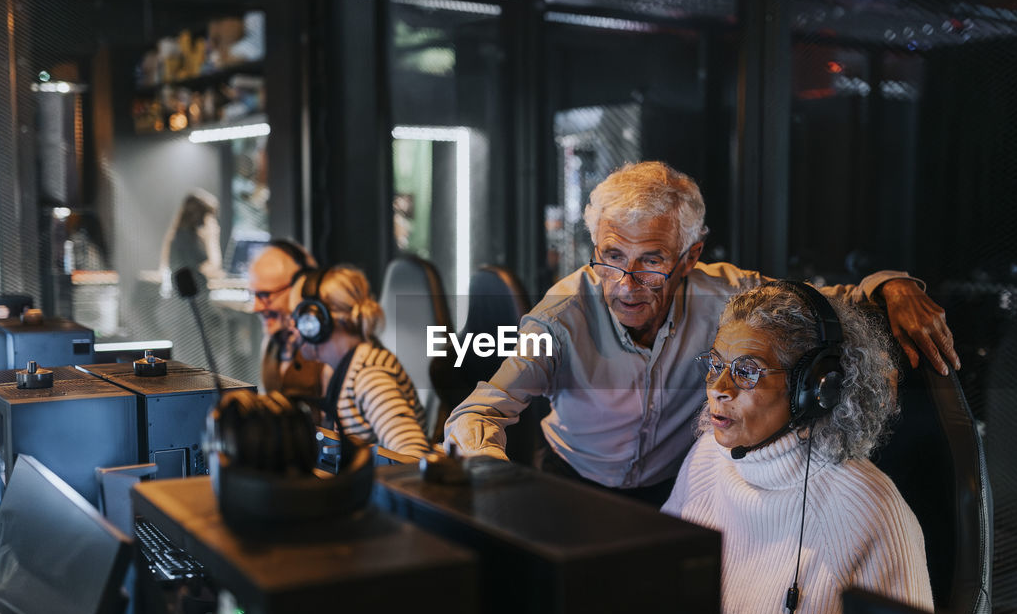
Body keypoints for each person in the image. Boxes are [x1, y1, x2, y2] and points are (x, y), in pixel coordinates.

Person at [443, 160, 959, 505]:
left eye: (651, 261)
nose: (625, 285)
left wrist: (892, 285)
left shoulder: (729, 295)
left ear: (690, 256)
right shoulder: (558, 316)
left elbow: (832, 299)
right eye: (612, 257)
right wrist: (494, 474)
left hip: (682, 488)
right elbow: (478, 410)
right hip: (574, 484)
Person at [662, 281, 932, 614]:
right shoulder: (709, 456)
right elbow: (653, 578)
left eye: (746, 371)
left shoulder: (871, 507)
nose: (719, 389)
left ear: (814, 388)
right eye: (715, 365)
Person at [288, 264, 430, 458]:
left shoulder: (370, 377)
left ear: (318, 321)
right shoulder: (341, 369)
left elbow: (412, 457)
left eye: (298, 318)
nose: (292, 328)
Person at [247, 239, 326, 407]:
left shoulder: (328, 351)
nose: (256, 307)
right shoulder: (271, 343)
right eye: (253, 295)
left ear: (302, 287)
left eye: (265, 295)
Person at [159, 188, 223, 291]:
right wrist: (212, 238)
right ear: (201, 218)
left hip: (187, 300)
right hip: (194, 301)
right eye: (210, 217)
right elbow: (213, 268)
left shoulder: (179, 236)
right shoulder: (186, 240)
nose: (214, 222)